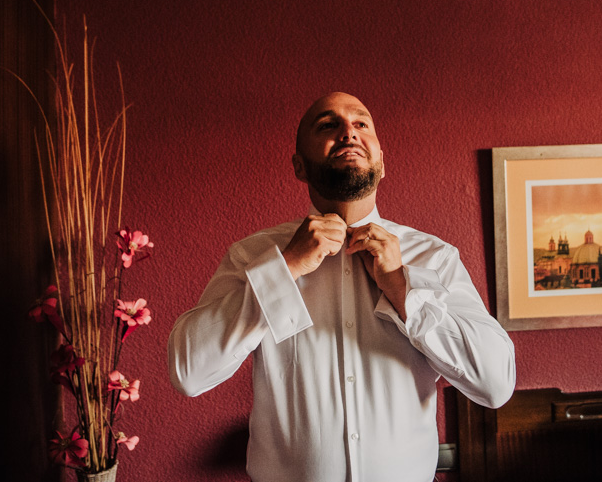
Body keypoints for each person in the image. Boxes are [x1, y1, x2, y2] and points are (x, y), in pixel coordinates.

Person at [168, 92, 515, 482]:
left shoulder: (434, 257)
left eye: (361, 123)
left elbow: (496, 383)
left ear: (381, 164)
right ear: (299, 166)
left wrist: (403, 289)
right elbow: (188, 372)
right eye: (328, 125)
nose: (348, 132)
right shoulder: (254, 255)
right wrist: (284, 268)